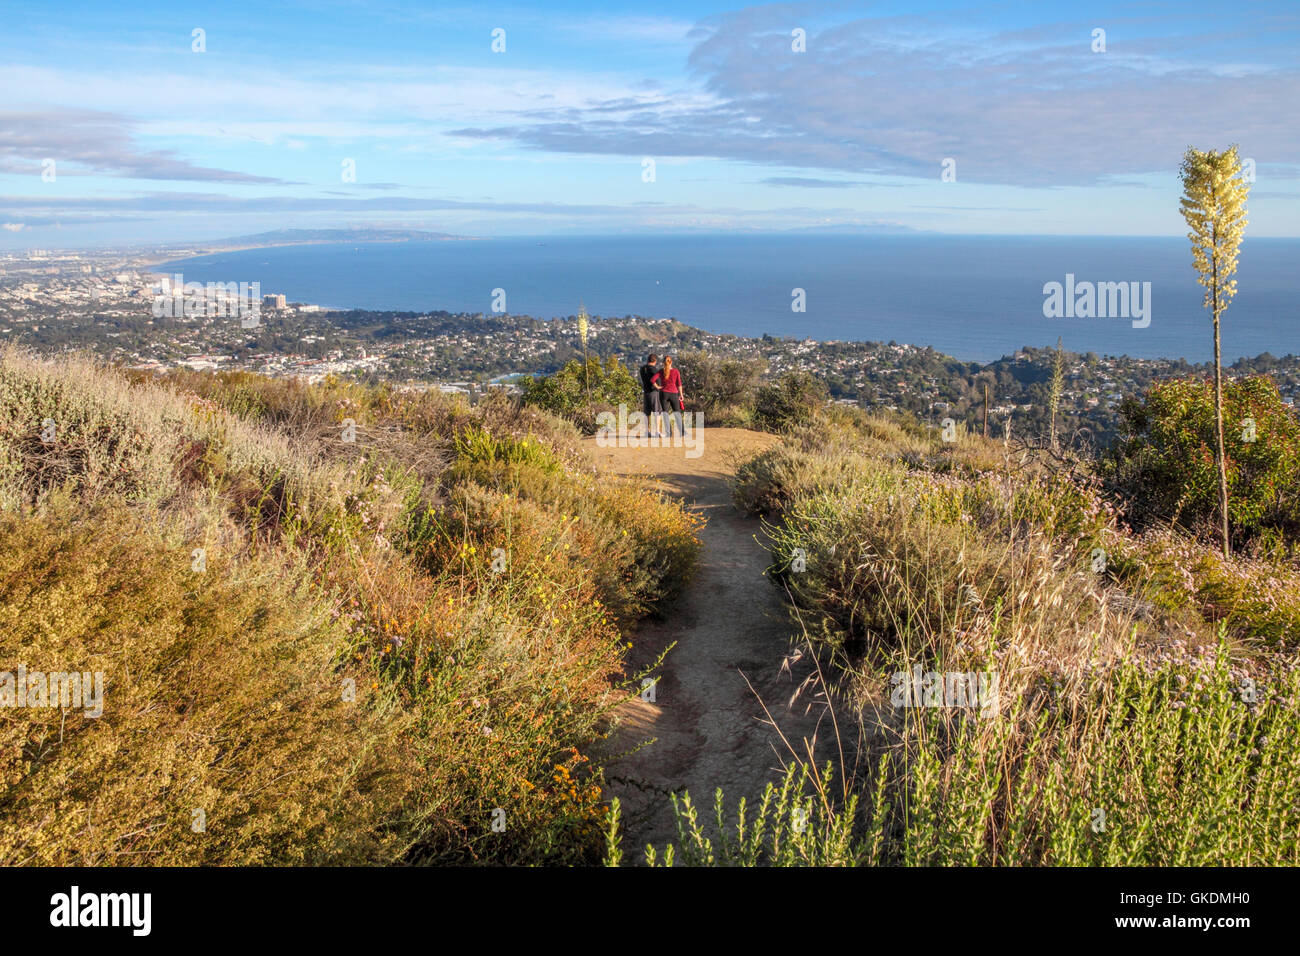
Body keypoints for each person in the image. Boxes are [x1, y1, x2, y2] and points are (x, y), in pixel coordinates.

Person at [653, 354, 686, 437]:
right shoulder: (676, 371)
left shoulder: (661, 371)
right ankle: (682, 432)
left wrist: (658, 387)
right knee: (677, 413)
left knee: (665, 414)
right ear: (671, 362)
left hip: (663, 393)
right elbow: (679, 384)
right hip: (674, 394)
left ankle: (669, 433)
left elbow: (652, 380)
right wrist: (681, 394)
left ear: (663, 363)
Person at [638, 353, 662, 437]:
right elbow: (658, 380)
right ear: (655, 361)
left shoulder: (642, 369)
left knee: (646, 413)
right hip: (653, 392)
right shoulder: (654, 370)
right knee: (657, 412)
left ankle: (647, 431)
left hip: (646, 392)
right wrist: (659, 387)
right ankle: (657, 431)